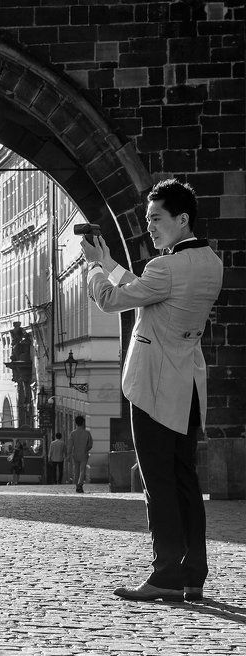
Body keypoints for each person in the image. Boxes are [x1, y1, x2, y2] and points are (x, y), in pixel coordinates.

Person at [82, 178, 222, 602]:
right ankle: (193, 573)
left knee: (158, 483)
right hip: (188, 385)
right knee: (184, 480)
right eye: (147, 220)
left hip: (152, 388)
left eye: (157, 219)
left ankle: (164, 573)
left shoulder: (164, 268)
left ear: (182, 219)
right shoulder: (210, 262)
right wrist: (111, 262)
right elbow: (150, 290)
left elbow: (113, 300)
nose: (150, 228)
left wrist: (93, 268)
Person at [67, 416, 93, 493]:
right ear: (83, 423)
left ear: (76, 423)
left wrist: (69, 454)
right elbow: (90, 445)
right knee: (82, 470)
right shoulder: (87, 433)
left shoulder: (73, 433)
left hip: (75, 454)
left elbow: (70, 445)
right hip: (84, 454)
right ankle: (79, 484)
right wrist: (86, 449)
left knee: (76, 470)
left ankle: (77, 485)